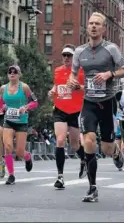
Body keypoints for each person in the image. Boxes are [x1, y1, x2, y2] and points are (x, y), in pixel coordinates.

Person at [68, 12, 124, 202]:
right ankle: (92, 187)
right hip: (89, 103)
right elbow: (73, 73)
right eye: (91, 23)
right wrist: (72, 82)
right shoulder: (79, 52)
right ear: (87, 27)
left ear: (103, 29)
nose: (93, 26)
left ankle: (116, 151)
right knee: (89, 141)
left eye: (97, 24)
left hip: (107, 102)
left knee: (107, 148)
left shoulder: (111, 49)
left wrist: (109, 74)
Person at [48, 44, 86, 189]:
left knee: (75, 144)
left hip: (75, 111)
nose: (66, 58)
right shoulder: (57, 71)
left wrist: (79, 87)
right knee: (60, 139)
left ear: (74, 57)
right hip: (60, 109)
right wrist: (52, 91)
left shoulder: (81, 72)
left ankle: (83, 159)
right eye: (64, 55)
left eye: (69, 55)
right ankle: (60, 176)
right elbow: (56, 86)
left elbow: (87, 88)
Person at [0, 65, 38, 185]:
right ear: (7, 74)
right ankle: (11, 175)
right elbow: (0, 103)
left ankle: (27, 157)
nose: (12, 74)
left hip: (21, 121)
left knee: (19, 152)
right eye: (10, 72)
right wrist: (0, 107)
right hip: (8, 120)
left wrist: (26, 107)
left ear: (19, 74)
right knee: (8, 147)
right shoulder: (3, 88)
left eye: (15, 72)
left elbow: (35, 102)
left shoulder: (24, 87)